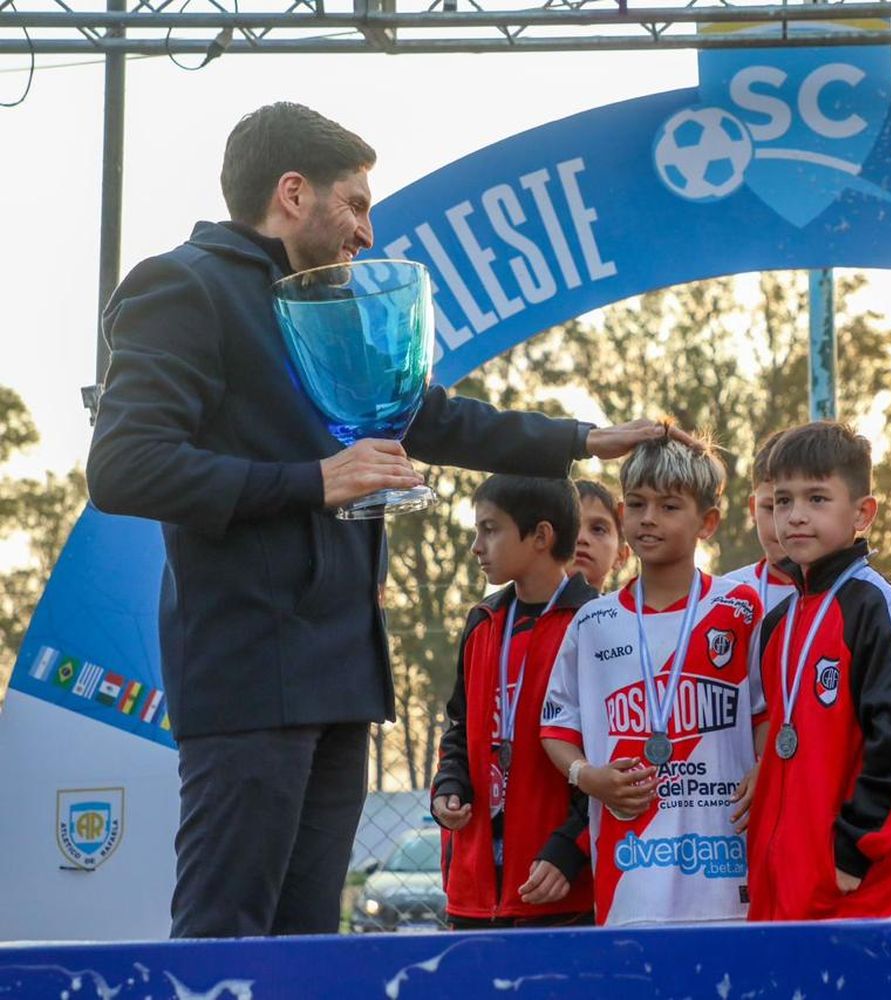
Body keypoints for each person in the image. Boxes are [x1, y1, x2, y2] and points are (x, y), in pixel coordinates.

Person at [84, 102, 688, 938]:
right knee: (226, 932)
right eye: (356, 204)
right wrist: (312, 481)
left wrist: (582, 439)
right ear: (293, 193)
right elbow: (123, 465)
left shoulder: (335, 299)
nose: (367, 232)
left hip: (342, 671)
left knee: (309, 943)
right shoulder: (181, 286)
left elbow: (426, 416)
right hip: (250, 668)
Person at [540, 436, 763, 925]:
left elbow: (767, 714)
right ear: (622, 513)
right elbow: (556, 728)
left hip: (725, 871)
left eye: (669, 506)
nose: (648, 518)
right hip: (630, 876)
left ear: (707, 522)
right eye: (637, 504)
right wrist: (588, 777)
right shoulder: (592, 622)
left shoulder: (742, 609)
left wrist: (764, 766)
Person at [746, 421, 891, 920]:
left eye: (816, 499)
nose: (795, 516)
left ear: (862, 512)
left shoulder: (876, 606)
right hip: (786, 892)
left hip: (862, 890)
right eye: (782, 501)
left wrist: (855, 849)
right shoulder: (779, 622)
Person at [430, 474, 597, 928]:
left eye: (490, 529)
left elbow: (610, 753)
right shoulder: (483, 623)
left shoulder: (595, 624)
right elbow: (460, 728)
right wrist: (450, 786)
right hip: (475, 896)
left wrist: (570, 850)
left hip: (558, 889)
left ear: (541, 536)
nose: (476, 546)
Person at [723, 430, 797, 620]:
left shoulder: (849, 596)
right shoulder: (725, 595)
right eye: (771, 507)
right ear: (753, 508)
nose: (785, 522)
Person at [569, 479, 630, 592]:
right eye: (570, 527)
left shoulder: (630, 609)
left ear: (621, 555)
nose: (581, 538)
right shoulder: (527, 608)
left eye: (598, 529)